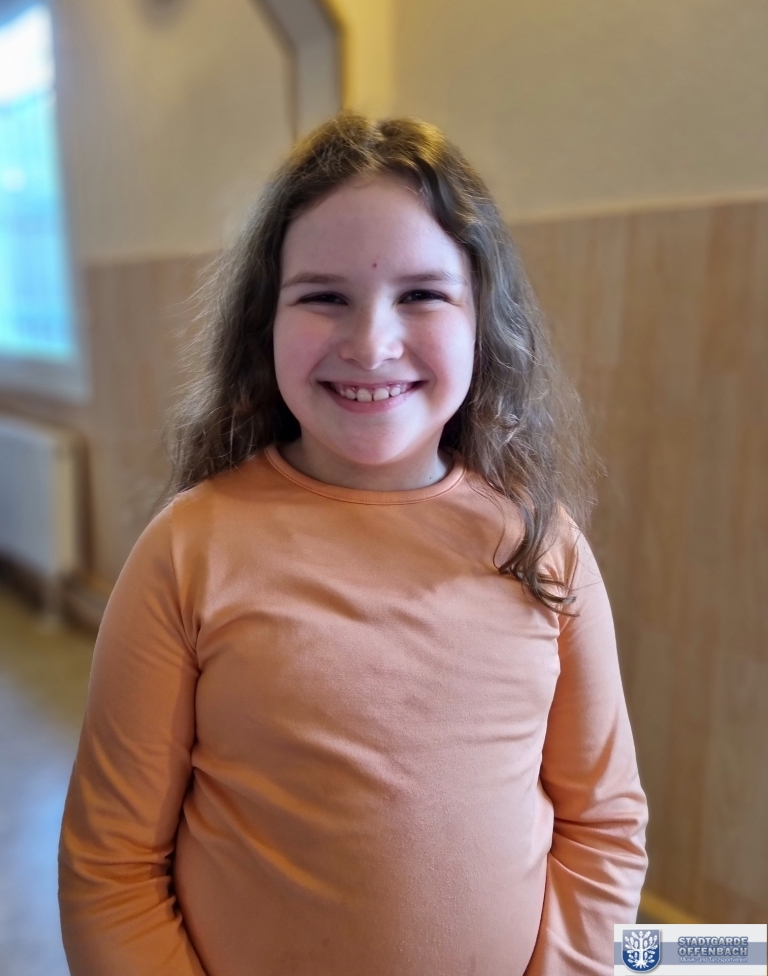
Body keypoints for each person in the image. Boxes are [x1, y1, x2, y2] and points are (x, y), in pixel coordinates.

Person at [58, 113, 648, 976]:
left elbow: (602, 826)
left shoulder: (544, 549)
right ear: (265, 321)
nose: (372, 343)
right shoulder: (186, 553)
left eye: (422, 294)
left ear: (484, 320)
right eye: (324, 296)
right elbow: (110, 870)